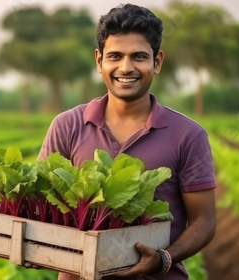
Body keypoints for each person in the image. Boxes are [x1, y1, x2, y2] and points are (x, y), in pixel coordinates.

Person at [37, 3, 217, 280]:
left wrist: (163, 258)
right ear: (99, 61)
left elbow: (204, 221)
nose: (126, 67)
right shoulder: (67, 125)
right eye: (115, 56)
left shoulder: (189, 135)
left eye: (139, 56)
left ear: (156, 62)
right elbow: (41, 203)